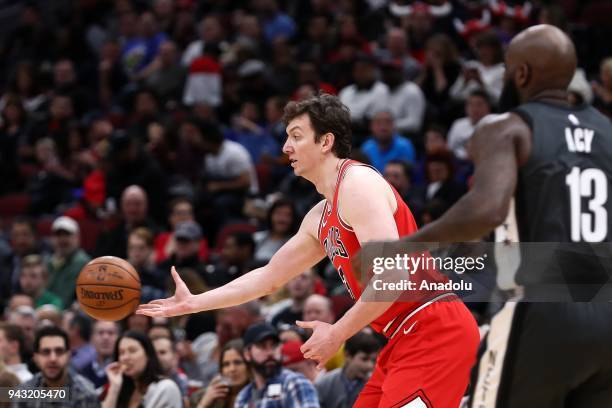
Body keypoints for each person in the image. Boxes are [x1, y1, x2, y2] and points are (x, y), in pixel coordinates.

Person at [138, 94, 479, 407]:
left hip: (434, 330)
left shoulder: (358, 184)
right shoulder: (320, 215)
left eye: (297, 136)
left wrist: (338, 333)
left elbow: (393, 273)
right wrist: (194, 302)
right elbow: (268, 278)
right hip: (400, 339)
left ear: (326, 141)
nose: (286, 146)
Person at [362, 24, 612, 407]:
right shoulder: (607, 131)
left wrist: (404, 246)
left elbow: (486, 209)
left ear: (521, 74)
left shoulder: (506, 126)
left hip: (543, 309)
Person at [234, 322, 319, 407]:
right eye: (262, 346)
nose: (270, 352)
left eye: (274, 345)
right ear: (247, 354)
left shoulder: (294, 383)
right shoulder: (243, 397)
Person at [21, 326, 99, 406]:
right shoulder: (25, 391)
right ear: (36, 358)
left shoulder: (85, 393)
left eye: (59, 351)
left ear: (68, 356)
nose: (53, 359)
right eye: (46, 352)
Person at [102, 331, 182, 408]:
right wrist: (114, 387)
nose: (125, 358)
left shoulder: (165, 387)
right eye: (121, 352)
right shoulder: (124, 390)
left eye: (132, 351)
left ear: (147, 355)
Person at [315, 331, 381, 408]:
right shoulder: (325, 383)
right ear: (348, 355)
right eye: (364, 359)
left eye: (373, 360)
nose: (370, 365)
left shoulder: (376, 386)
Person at [194, 339, 250, 408]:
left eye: (237, 362)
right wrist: (204, 404)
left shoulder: (258, 395)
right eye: (226, 364)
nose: (232, 369)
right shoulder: (212, 397)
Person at [80, 321, 120, 389]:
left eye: (111, 333)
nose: (105, 337)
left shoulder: (124, 372)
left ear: (119, 338)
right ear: (91, 339)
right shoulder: (82, 373)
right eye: (100, 333)